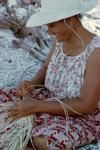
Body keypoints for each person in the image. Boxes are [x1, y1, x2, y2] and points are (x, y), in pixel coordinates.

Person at [1, 0, 100, 149]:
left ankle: (25, 136)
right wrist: (31, 84)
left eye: (51, 25)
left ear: (70, 20)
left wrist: (37, 106)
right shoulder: (60, 41)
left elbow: (86, 105)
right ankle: (23, 134)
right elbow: (47, 67)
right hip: (47, 98)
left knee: (46, 141)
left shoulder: (95, 53)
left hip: (77, 115)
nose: (48, 31)